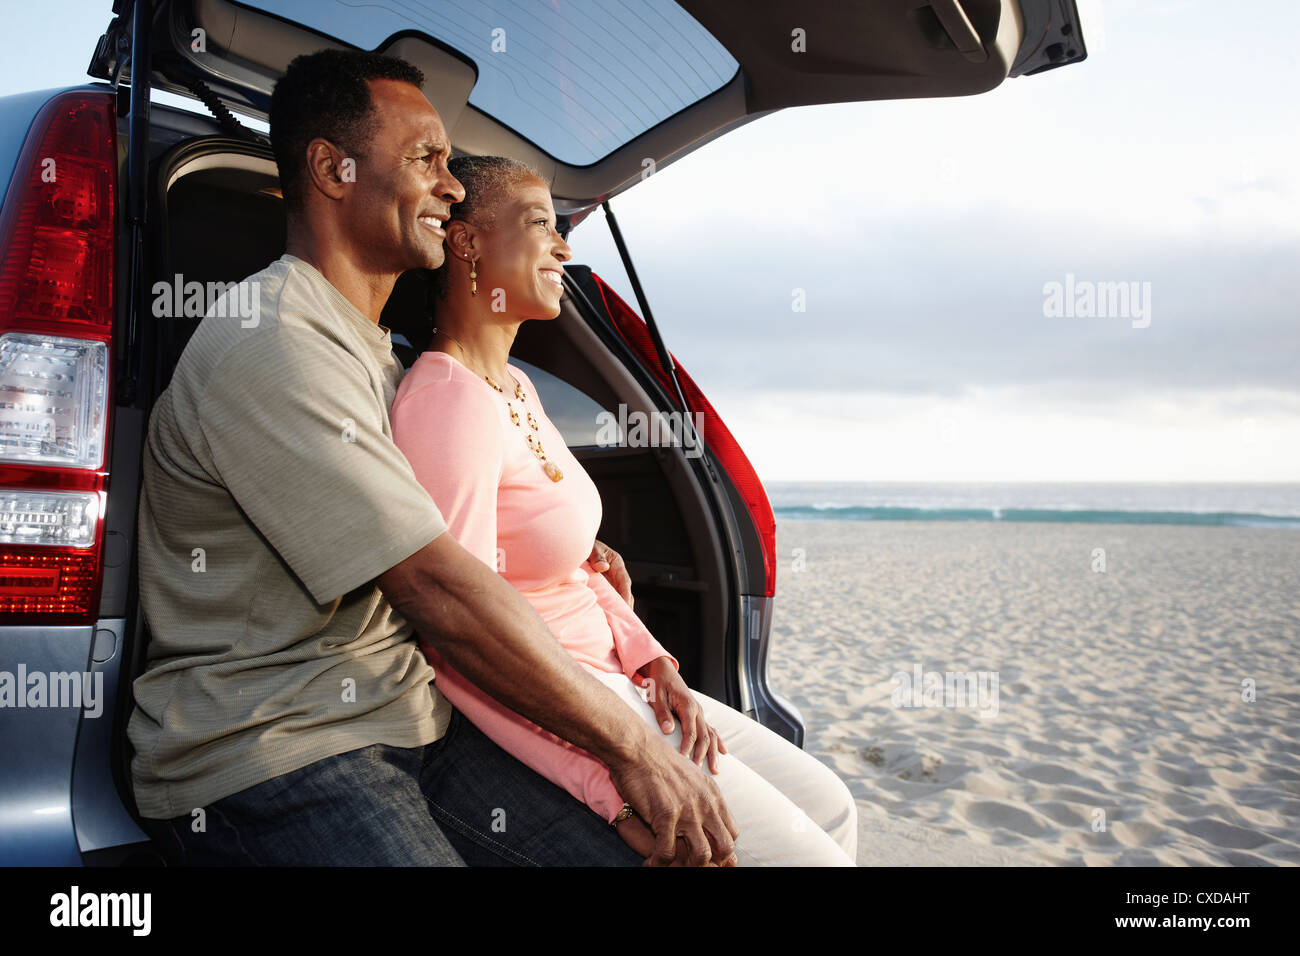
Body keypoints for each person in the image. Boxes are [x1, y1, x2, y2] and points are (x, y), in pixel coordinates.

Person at [129, 49, 738, 867]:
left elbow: (459, 539)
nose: (451, 186)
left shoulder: (382, 357)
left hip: (413, 716)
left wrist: (571, 561)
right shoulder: (272, 340)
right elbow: (435, 586)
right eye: (427, 158)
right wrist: (633, 748)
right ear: (331, 168)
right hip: (279, 746)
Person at [390, 155, 858, 866]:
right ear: (468, 243)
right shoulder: (446, 401)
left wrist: (652, 659)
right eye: (540, 224)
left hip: (624, 681)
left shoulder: (515, 386)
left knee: (833, 806)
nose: (564, 246)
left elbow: (579, 571)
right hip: (572, 701)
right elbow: (457, 641)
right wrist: (611, 779)